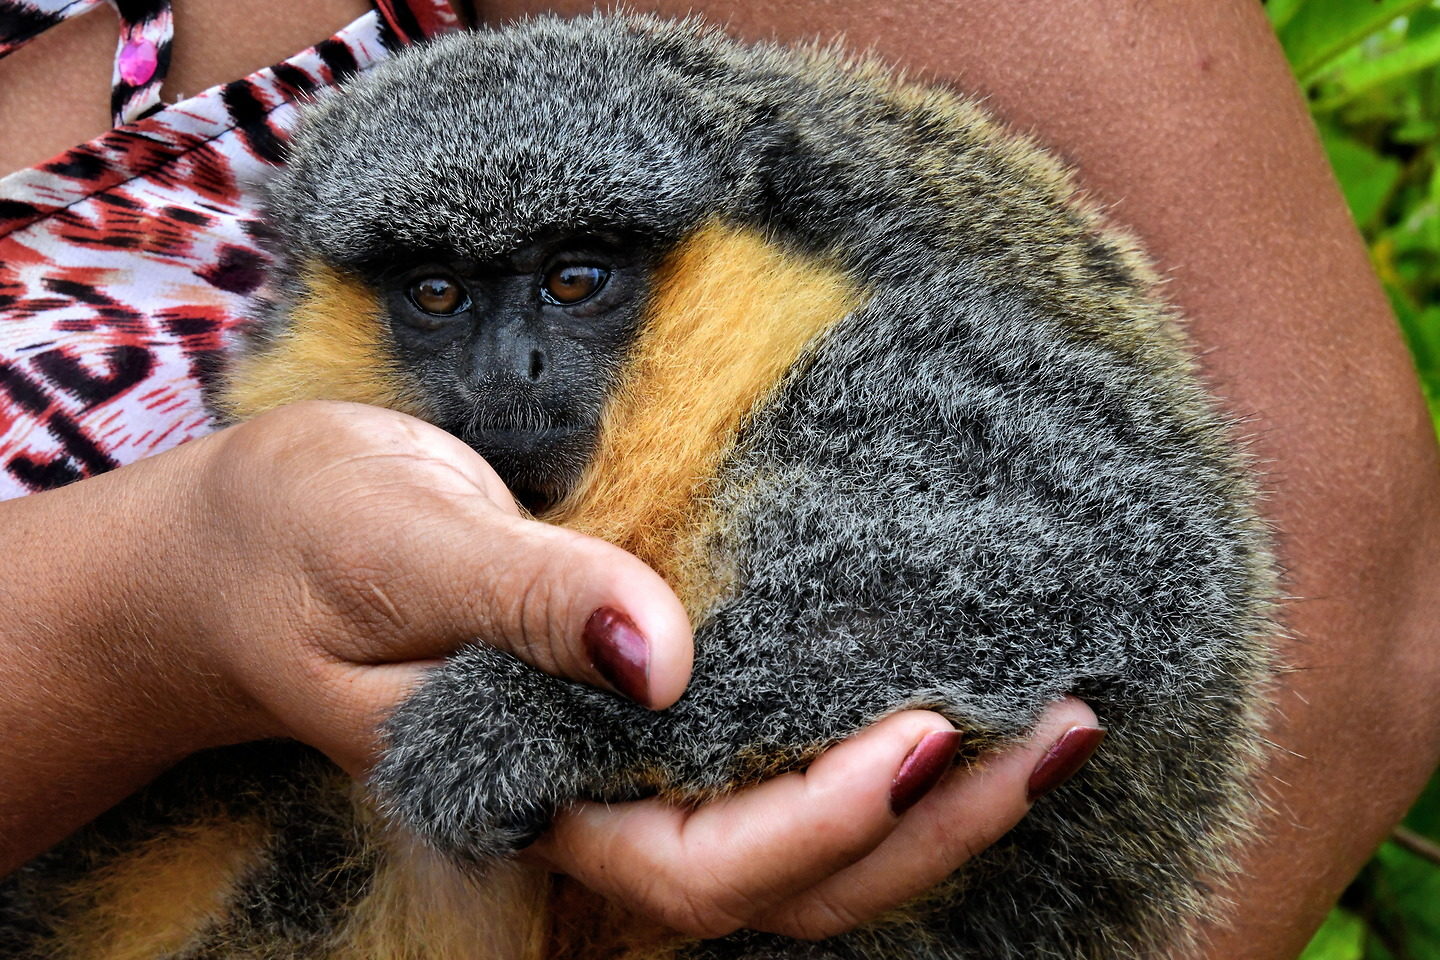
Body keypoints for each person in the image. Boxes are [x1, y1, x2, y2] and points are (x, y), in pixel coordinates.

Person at [1, 1, 1436, 956]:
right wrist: (173, 605)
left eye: (577, 285)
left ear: (745, 237)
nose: (511, 370)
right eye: (436, 299)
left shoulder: (858, 349)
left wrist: (576, 712)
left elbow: (1109, 583)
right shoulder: (277, 435)